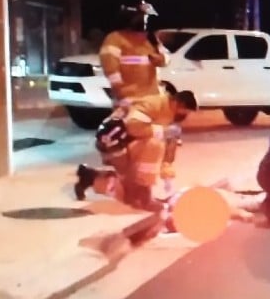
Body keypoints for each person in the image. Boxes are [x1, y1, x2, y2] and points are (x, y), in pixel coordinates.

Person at [73, 90, 197, 223]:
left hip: (127, 143)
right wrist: (161, 131)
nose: (185, 116)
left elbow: (170, 145)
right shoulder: (153, 105)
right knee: (152, 148)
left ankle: (90, 177)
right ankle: (144, 196)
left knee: (130, 183)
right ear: (177, 103)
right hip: (114, 143)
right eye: (185, 111)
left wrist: (168, 174)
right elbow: (133, 126)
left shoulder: (169, 116)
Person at [99, 0, 170, 106]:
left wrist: (161, 59)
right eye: (141, 17)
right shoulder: (115, 39)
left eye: (146, 17)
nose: (145, 20)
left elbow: (166, 57)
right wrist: (120, 92)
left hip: (152, 98)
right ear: (128, 17)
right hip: (129, 100)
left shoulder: (150, 38)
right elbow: (111, 69)